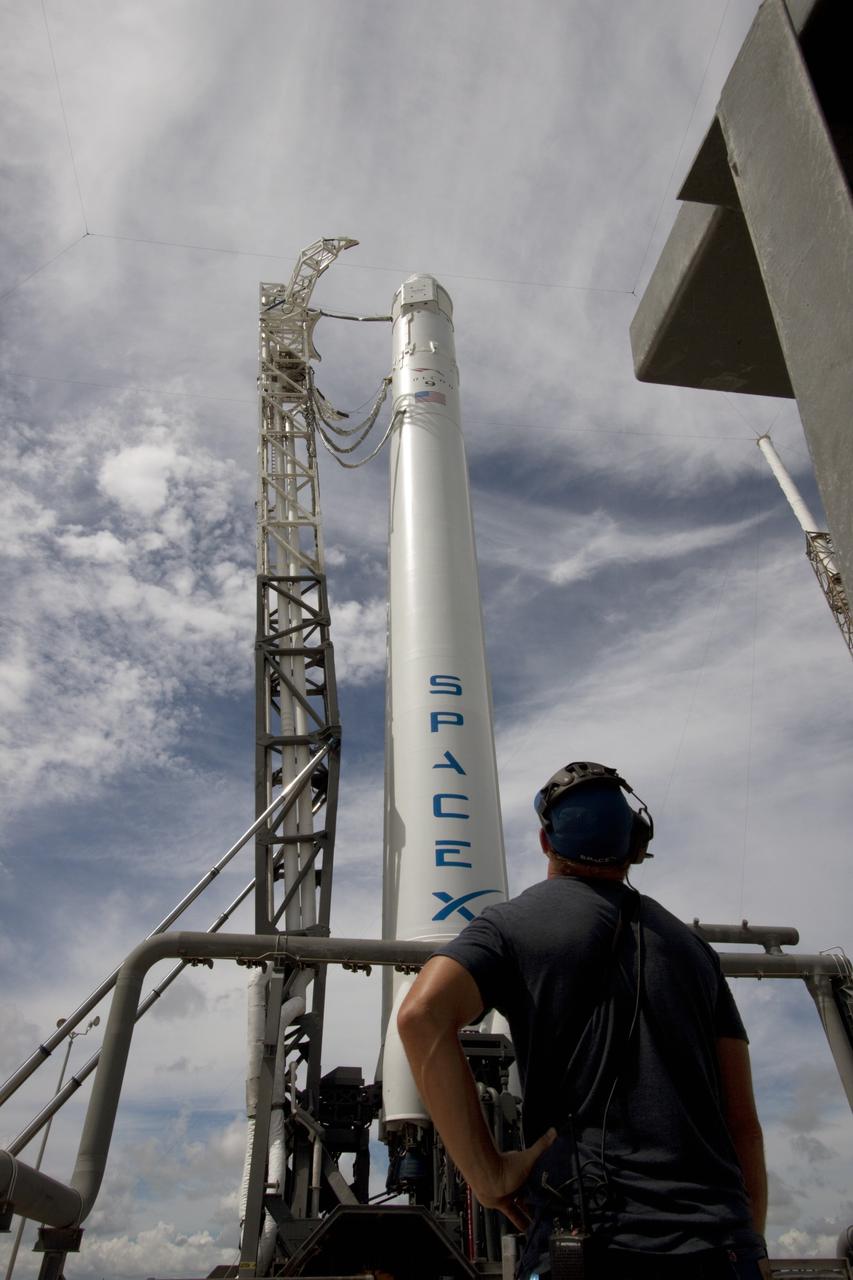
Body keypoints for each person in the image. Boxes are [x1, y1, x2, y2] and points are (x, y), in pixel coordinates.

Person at [397, 761, 768, 1279]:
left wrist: (487, 1176)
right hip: (723, 1248)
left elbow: (420, 1015)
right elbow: (744, 1126)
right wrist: (749, 1242)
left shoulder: (510, 926)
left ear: (547, 843)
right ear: (636, 844)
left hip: (592, 1242)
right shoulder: (696, 952)